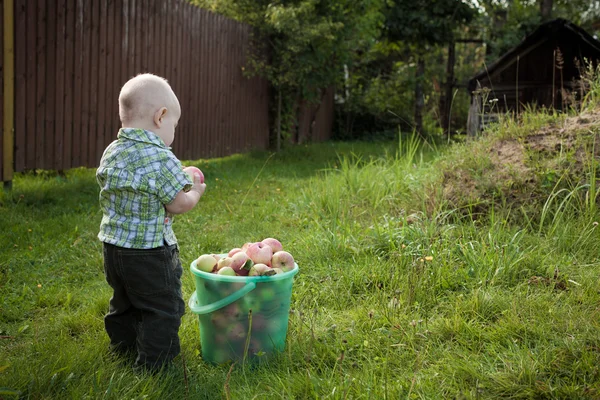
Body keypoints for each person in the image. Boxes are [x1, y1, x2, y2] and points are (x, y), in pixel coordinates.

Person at [96, 73, 206, 372]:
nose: (174, 131)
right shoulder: (160, 156)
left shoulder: (113, 151)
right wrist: (194, 189)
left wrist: (178, 175)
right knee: (163, 308)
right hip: (148, 253)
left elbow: (142, 183)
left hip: (113, 249)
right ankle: (154, 367)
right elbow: (178, 203)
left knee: (124, 303)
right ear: (161, 117)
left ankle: (123, 349)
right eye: (174, 124)